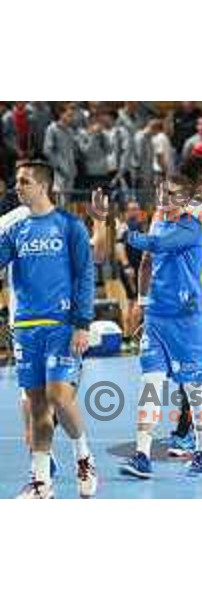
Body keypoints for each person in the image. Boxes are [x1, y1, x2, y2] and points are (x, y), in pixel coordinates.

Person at [1, 160, 96, 499]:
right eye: (17, 182)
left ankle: (83, 456)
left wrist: (82, 323)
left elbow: (85, 276)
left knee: (59, 396)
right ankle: (41, 482)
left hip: (62, 325)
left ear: (42, 186)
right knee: (38, 406)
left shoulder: (70, 226)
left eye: (23, 181)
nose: (17, 187)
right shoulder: (13, 230)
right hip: (26, 328)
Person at [120, 176, 202, 478]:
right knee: (151, 383)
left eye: (172, 194)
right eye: (162, 192)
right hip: (158, 318)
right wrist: (144, 304)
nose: (164, 197)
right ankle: (142, 454)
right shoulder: (158, 222)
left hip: (187, 320)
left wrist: (124, 232)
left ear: (185, 201)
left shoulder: (191, 228)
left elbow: (157, 245)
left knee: (193, 387)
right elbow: (148, 261)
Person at [115, 200, 144, 348]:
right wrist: (126, 265)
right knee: (134, 303)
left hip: (141, 269)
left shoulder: (141, 227)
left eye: (136, 209)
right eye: (131, 209)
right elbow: (119, 247)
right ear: (126, 212)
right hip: (130, 270)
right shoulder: (124, 227)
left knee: (134, 304)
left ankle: (129, 339)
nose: (134, 212)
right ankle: (130, 338)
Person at [43, 103, 78, 204]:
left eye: (72, 116)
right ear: (61, 114)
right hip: (58, 172)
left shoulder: (71, 131)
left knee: (67, 200)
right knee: (59, 199)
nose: (71, 118)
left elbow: (73, 150)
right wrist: (58, 166)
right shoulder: (52, 129)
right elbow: (47, 150)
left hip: (71, 171)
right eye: (69, 115)